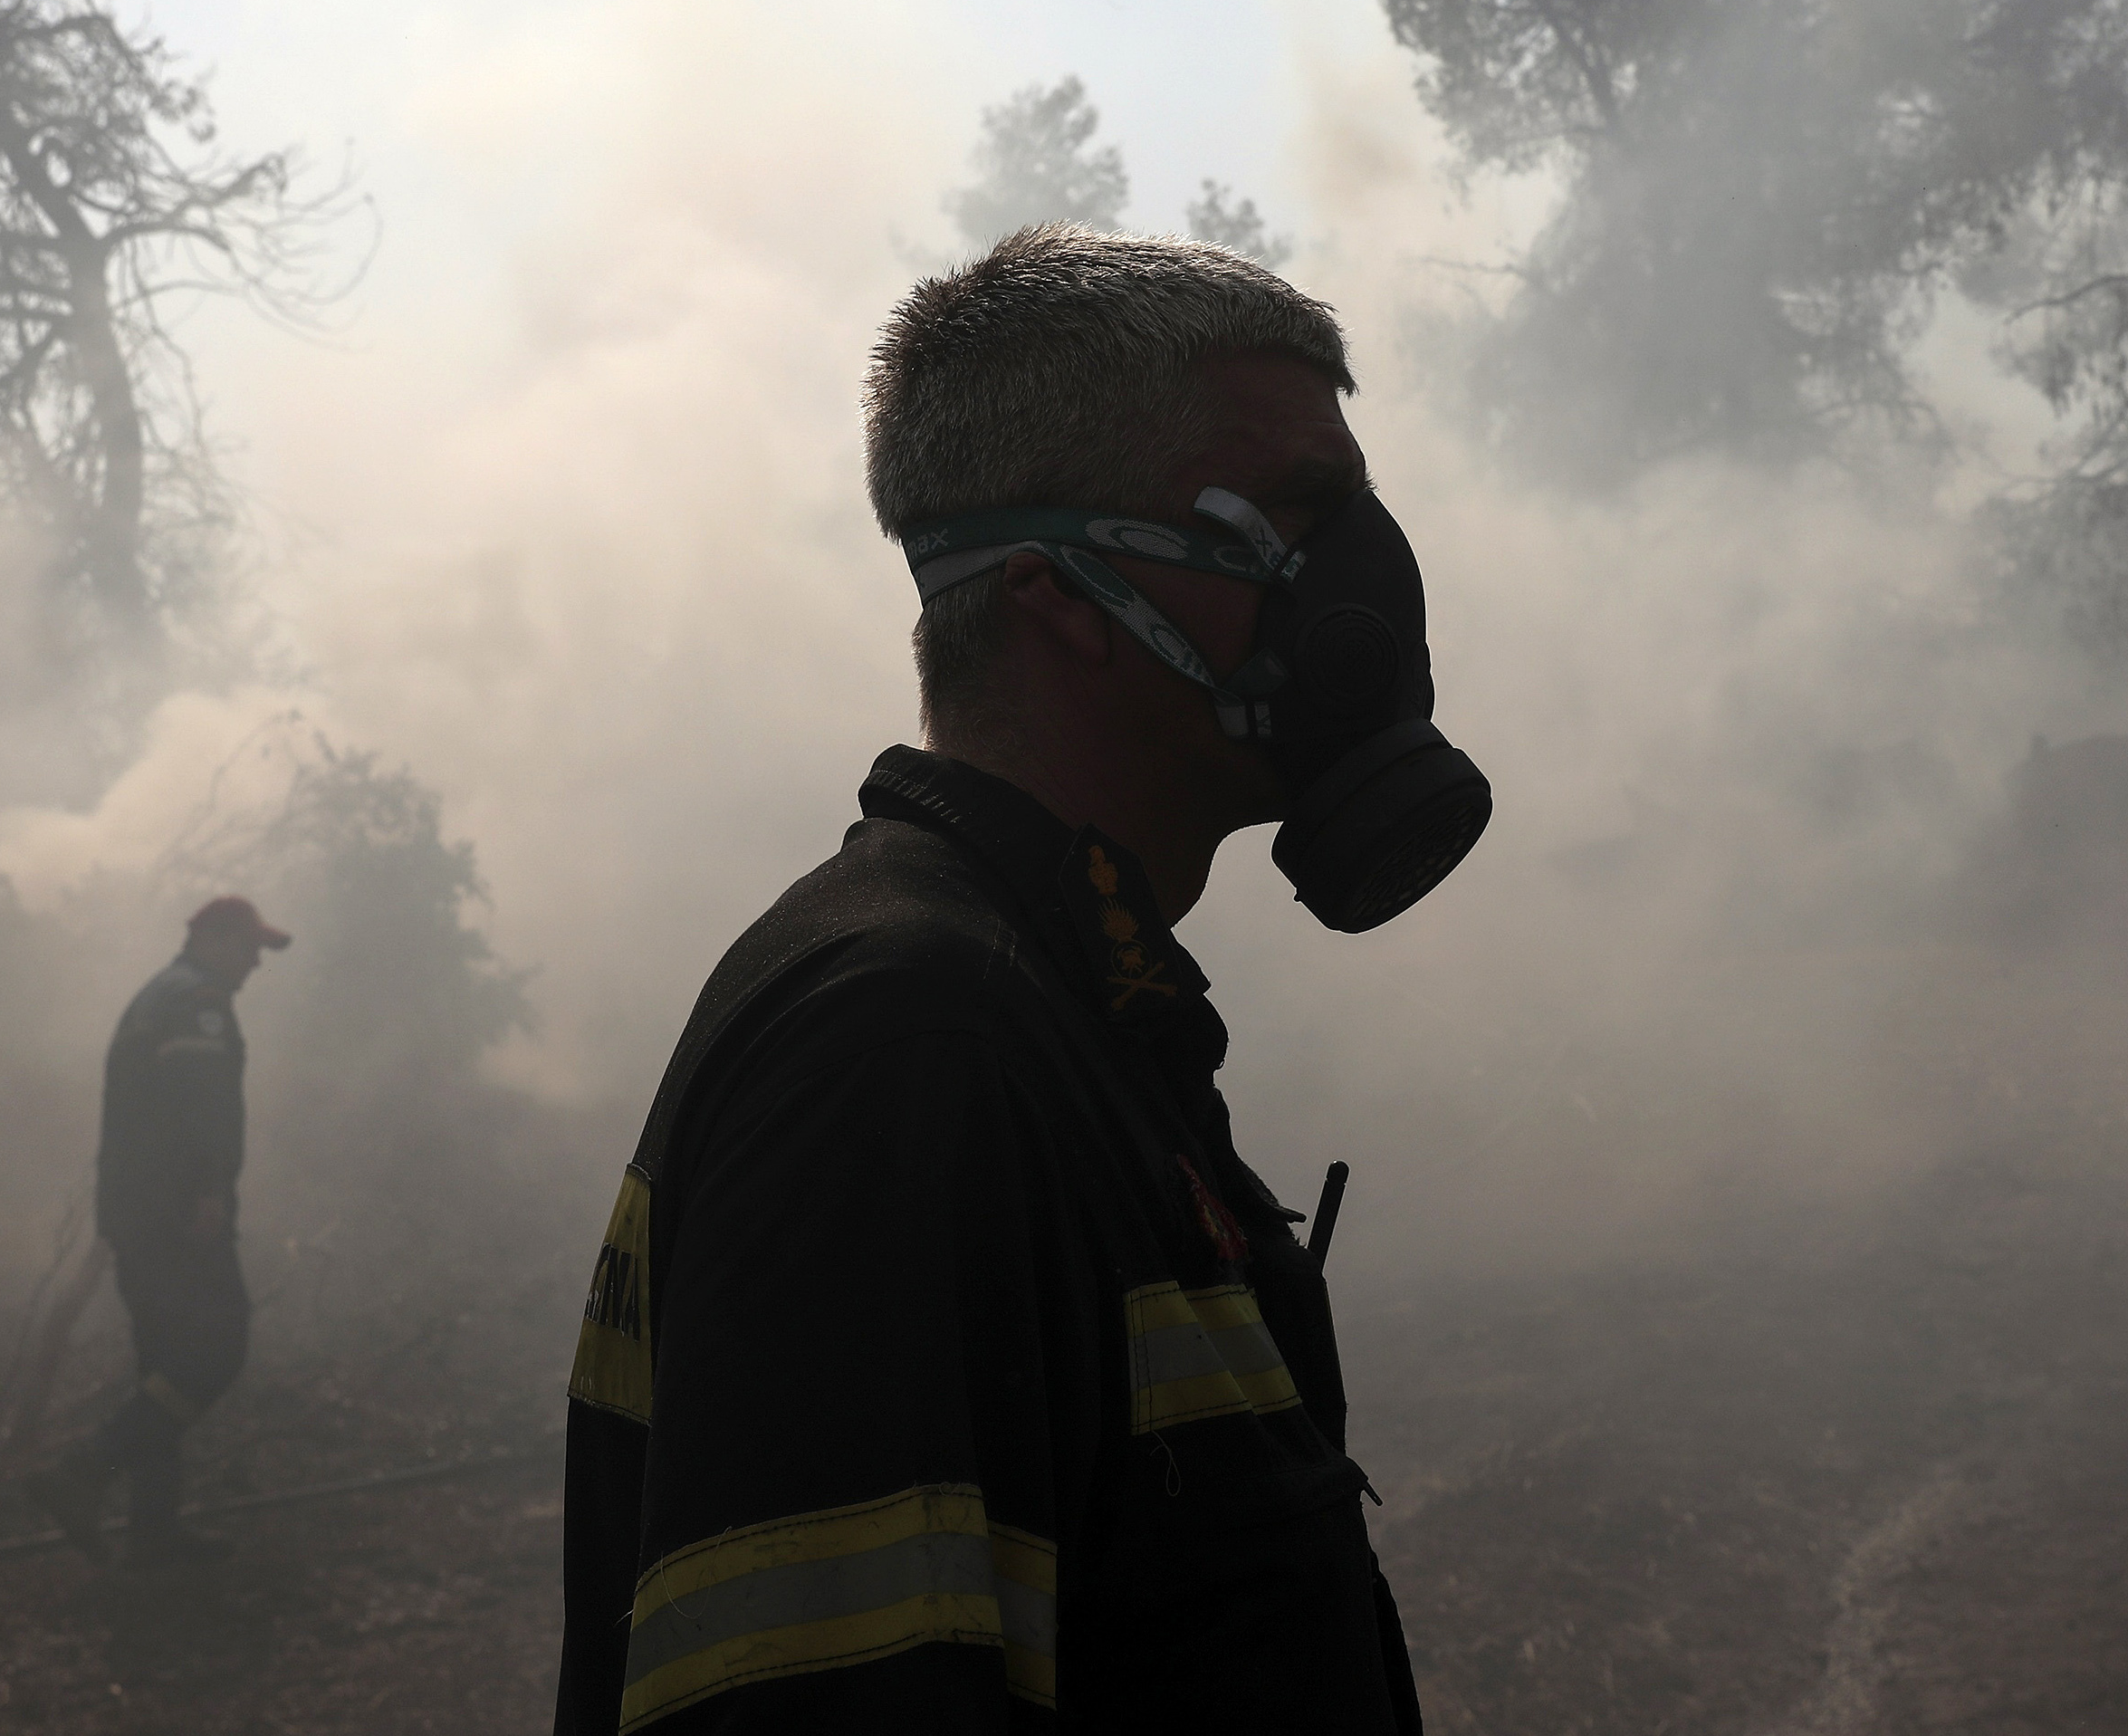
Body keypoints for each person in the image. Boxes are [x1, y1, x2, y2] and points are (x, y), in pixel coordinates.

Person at [553, 225, 1491, 1734]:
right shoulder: (908, 1051)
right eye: (1305, 521)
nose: (1367, 584)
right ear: (1064, 593)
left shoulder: (1061, 1005)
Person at [26, 894, 290, 1568]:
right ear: (218, 939)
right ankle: (84, 1472)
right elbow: (197, 1102)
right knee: (215, 1349)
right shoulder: (194, 1000)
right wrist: (206, 1189)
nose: (256, 965)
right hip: (175, 1216)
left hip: (140, 1214)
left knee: (163, 1365)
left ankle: (153, 1533)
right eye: (251, 948)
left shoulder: (159, 996)